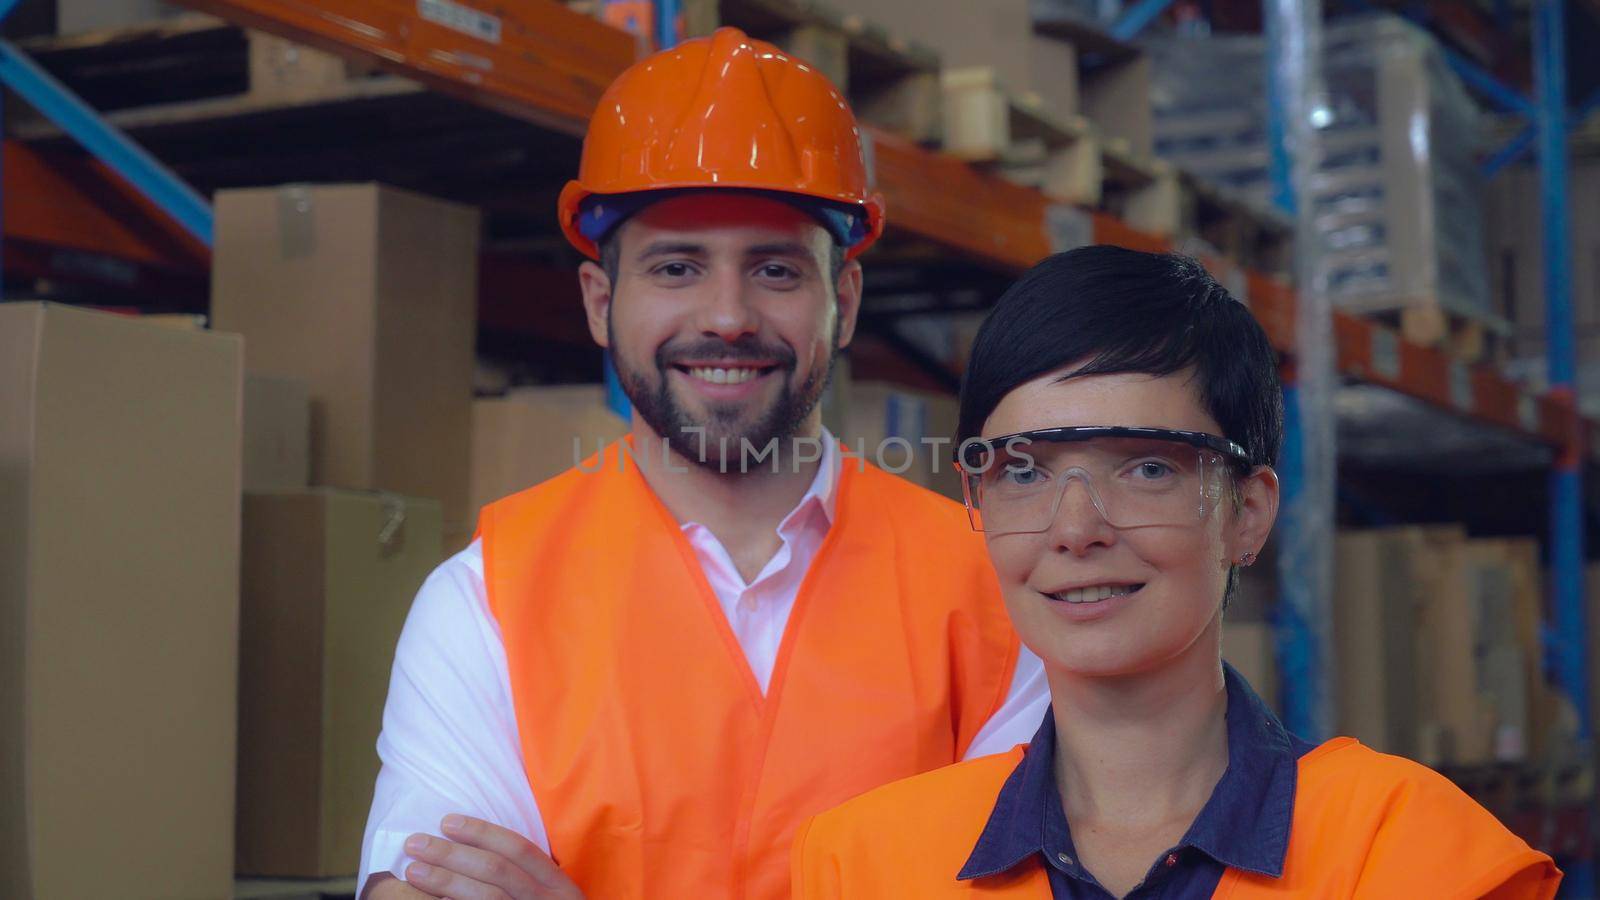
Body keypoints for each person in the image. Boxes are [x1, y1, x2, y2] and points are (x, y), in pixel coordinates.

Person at [357, 27, 1048, 900]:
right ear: (602, 303)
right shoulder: (485, 604)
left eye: (775, 269)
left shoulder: (992, 595)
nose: (727, 316)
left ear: (844, 300)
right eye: (677, 266)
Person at [791, 246, 1562, 899]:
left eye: (1147, 468)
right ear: (977, 501)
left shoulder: (1408, 857)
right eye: (1023, 474)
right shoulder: (867, 866)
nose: (1075, 530)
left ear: (1247, 512)